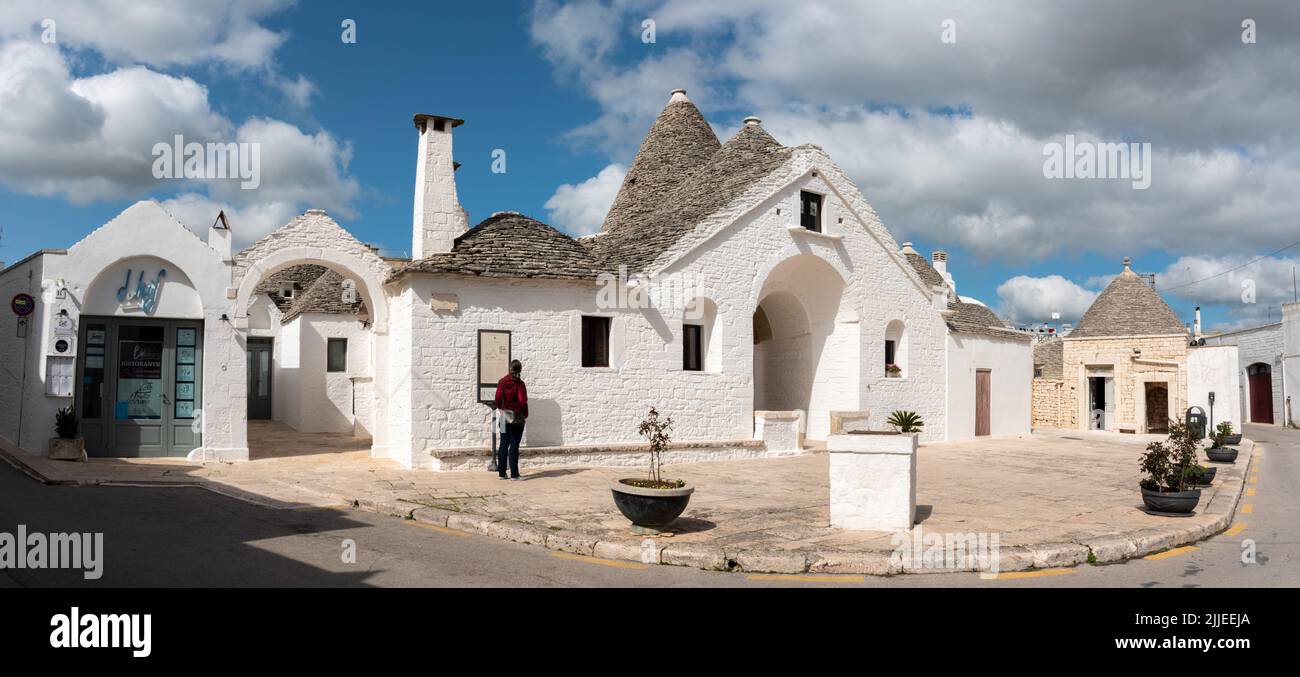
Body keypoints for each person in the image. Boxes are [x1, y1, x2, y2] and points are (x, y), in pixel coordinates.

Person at [492, 360, 528, 480]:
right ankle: (514, 474)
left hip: (503, 417)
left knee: (503, 444)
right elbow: (522, 402)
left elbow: (497, 399)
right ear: (520, 370)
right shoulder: (520, 384)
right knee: (514, 445)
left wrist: (501, 409)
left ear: (509, 369)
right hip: (517, 418)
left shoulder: (502, 382)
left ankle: (502, 473)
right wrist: (525, 414)